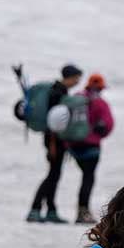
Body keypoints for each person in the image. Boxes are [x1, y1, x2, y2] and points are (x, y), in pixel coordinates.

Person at [27, 64, 83, 223]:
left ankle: (51, 209)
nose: (78, 81)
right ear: (70, 77)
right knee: (52, 175)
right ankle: (35, 209)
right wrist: (52, 145)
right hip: (54, 141)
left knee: (55, 174)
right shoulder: (57, 92)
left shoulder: (58, 90)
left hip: (56, 140)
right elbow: (53, 120)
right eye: (77, 78)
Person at [68, 73, 115, 224]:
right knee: (88, 177)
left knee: (84, 175)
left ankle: (77, 210)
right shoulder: (101, 103)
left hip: (73, 146)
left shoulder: (76, 98)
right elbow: (108, 125)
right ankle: (83, 211)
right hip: (92, 148)